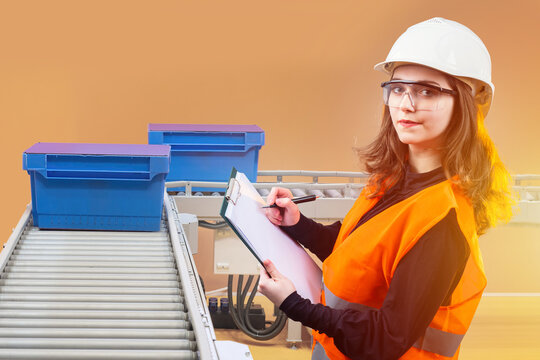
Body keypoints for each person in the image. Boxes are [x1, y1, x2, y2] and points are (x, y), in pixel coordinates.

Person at [257, 17, 513, 360]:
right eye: (398, 88)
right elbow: (357, 255)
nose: (406, 104)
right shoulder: (393, 178)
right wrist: (298, 224)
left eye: (427, 91)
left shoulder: (442, 225)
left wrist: (295, 305)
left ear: (466, 105)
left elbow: (384, 340)